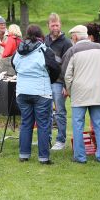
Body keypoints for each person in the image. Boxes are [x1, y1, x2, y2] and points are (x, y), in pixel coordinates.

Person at [64, 25, 100, 163]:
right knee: (99, 123)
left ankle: (80, 156)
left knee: (78, 124)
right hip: (98, 91)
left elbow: (67, 75)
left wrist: (68, 90)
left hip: (79, 93)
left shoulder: (73, 51)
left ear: (75, 37)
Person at [12, 25, 60, 164]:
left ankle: (24, 154)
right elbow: (55, 68)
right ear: (41, 35)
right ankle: (43, 157)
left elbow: (14, 65)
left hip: (22, 91)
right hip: (41, 92)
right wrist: (49, 80)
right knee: (43, 124)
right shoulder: (45, 50)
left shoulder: (18, 50)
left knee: (26, 123)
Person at [44, 13, 73, 151]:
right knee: (46, 111)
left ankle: (61, 140)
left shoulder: (66, 42)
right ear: (48, 25)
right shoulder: (45, 40)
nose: (55, 27)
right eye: (52, 25)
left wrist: (66, 86)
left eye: (57, 24)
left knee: (60, 111)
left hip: (59, 82)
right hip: (45, 81)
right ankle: (46, 139)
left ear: (60, 25)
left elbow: (69, 65)